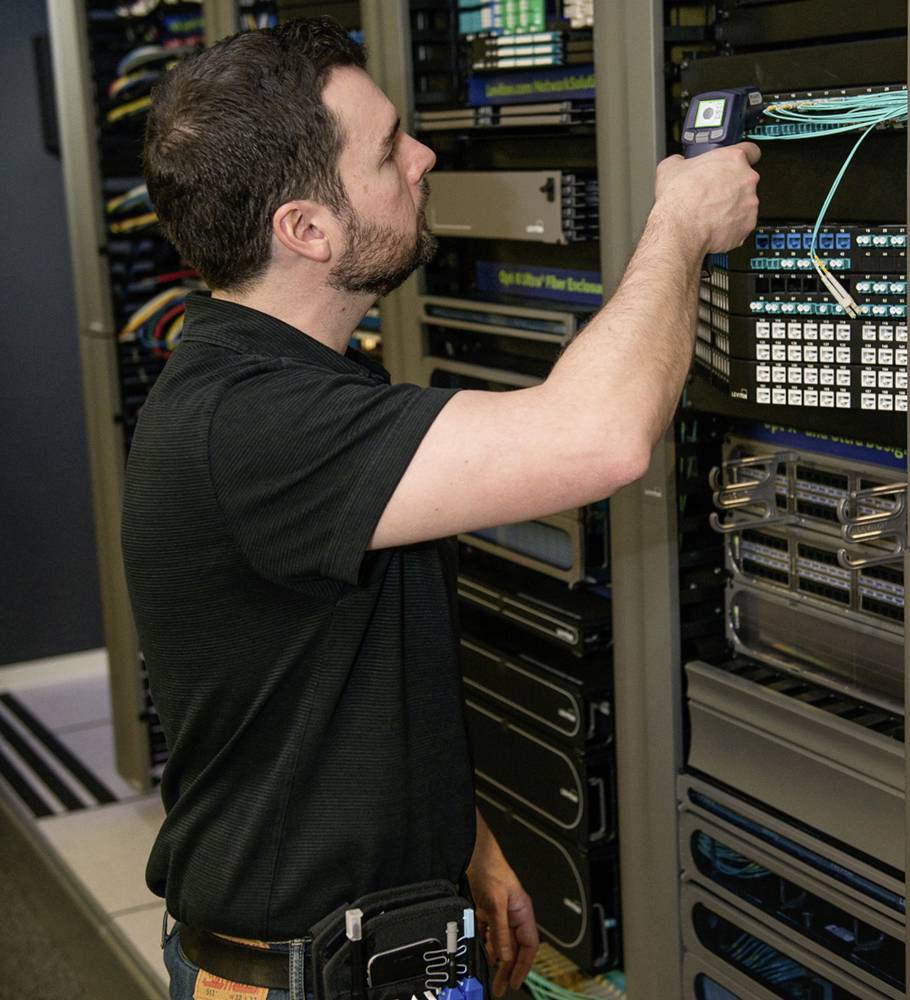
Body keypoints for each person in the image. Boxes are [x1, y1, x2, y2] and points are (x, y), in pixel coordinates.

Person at [122, 17, 760, 1000]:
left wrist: (468, 847)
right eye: (386, 150)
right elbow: (600, 437)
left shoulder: (273, 381)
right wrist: (680, 224)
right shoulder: (253, 424)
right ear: (306, 228)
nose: (424, 157)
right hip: (305, 977)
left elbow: (337, 685)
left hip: (373, 937)